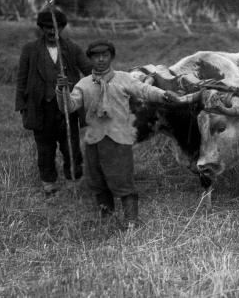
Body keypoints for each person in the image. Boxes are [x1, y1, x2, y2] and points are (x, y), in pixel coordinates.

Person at [57, 40, 179, 228]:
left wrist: (164, 95)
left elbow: (144, 90)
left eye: (105, 55)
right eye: (96, 56)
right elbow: (69, 106)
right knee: (97, 181)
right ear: (90, 59)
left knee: (122, 179)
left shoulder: (124, 78)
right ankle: (107, 218)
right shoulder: (84, 84)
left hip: (119, 139)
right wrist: (61, 90)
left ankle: (131, 221)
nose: (101, 60)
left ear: (111, 57)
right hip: (94, 140)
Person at [15, 8, 92, 194]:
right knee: (45, 149)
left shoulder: (72, 48)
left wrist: (79, 85)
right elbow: (22, 79)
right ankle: (49, 183)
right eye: (48, 27)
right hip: (40, 109)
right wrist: (23, 107)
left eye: (56, 28)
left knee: (71, 147)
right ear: (41, 28)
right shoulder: (30, 50)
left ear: (63, 28)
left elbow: (89, 71)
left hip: (67, 107)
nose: (52, 32)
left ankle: (74, 181)